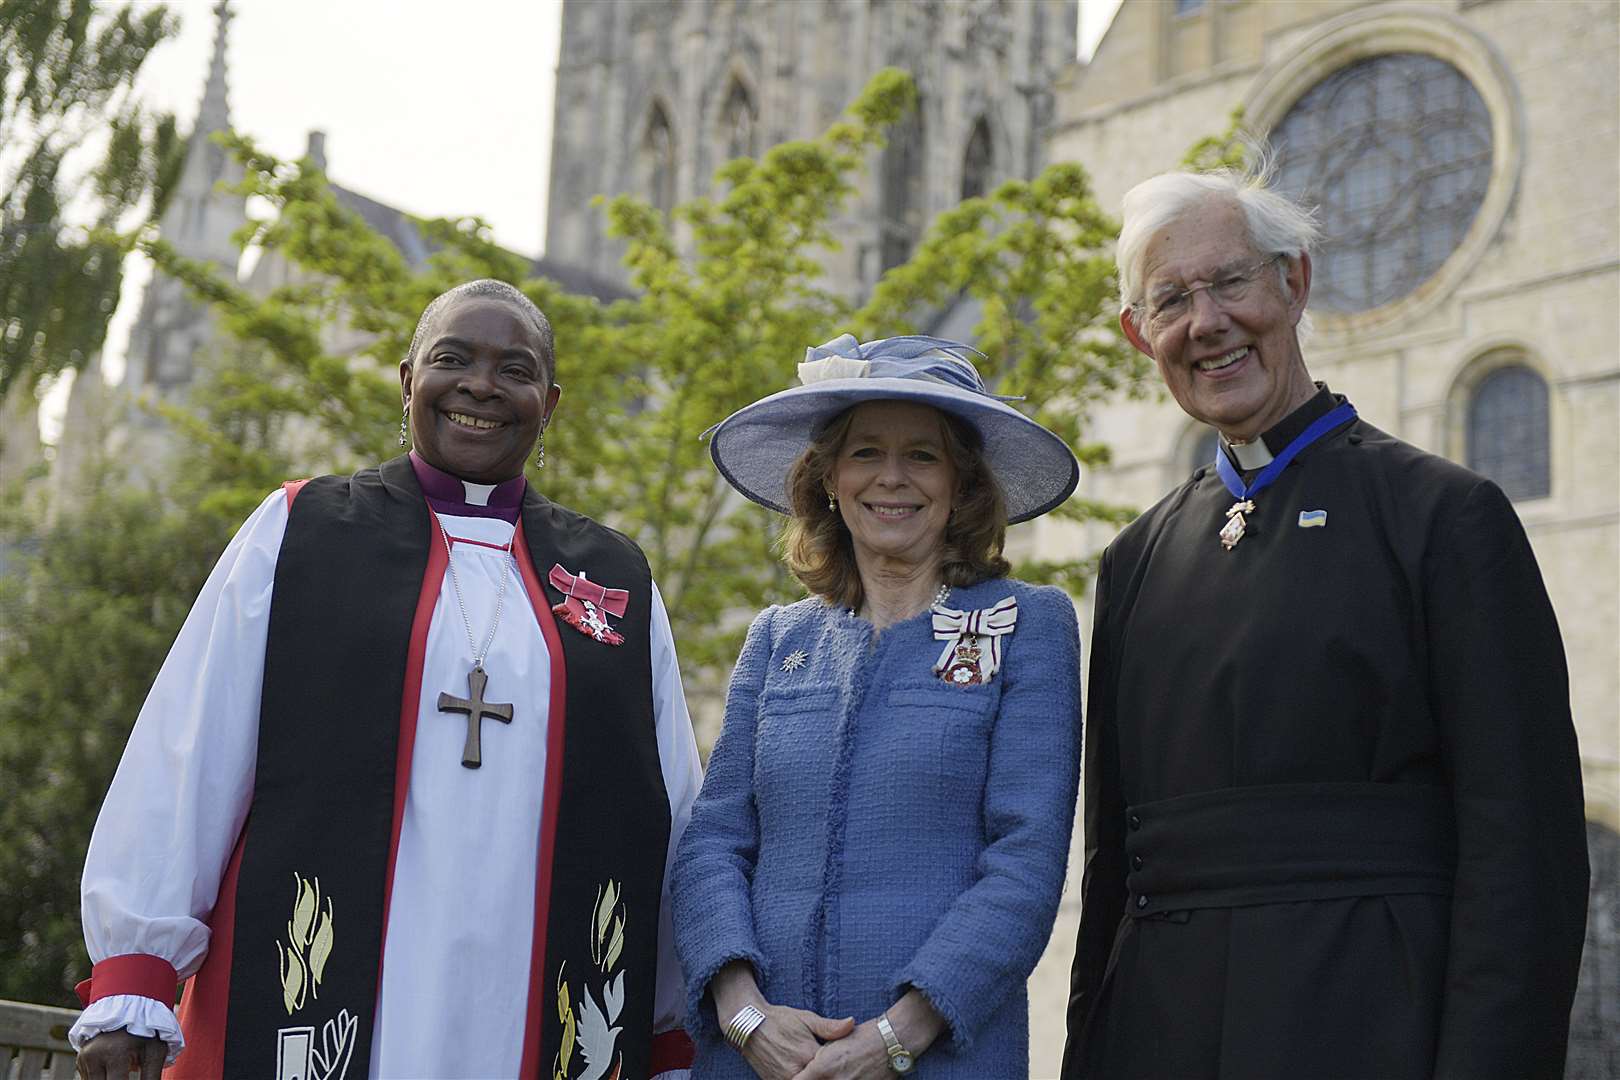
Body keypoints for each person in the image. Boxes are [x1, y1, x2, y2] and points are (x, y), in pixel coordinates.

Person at [71, 280, 701, 1080]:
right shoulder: (299, 533)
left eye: (515, 368)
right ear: (408, 381)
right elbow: (191, 750)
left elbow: (666, 811)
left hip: (536, 1007)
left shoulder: (612, 579)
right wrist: (137, 972)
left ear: (549, 402)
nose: (480, 385)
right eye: (452, 359)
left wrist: (665, 1026)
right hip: (328, 1005)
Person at [1060, 168, 1590, 1079]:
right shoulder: (1135, 560)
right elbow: (1113, 869)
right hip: (1161, 1035)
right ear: (1139, 335)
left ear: (1293, 283)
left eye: (1232, 283)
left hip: (1375, 1021)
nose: (1208, 322)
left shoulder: (1444, 516)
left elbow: (1525, 858)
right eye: (1173, 300)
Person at [674, 335, 1083, 1079]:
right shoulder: (777, 638)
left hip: (942, 1058)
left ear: (962, 482)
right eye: (866, 452)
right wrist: (745, 1014)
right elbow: (714, 842)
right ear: (829, 475)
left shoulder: (1028, 625)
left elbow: (1025, 861)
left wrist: (897, 1036)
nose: (892, 478)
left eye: (922, 456)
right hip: (760, 1062)